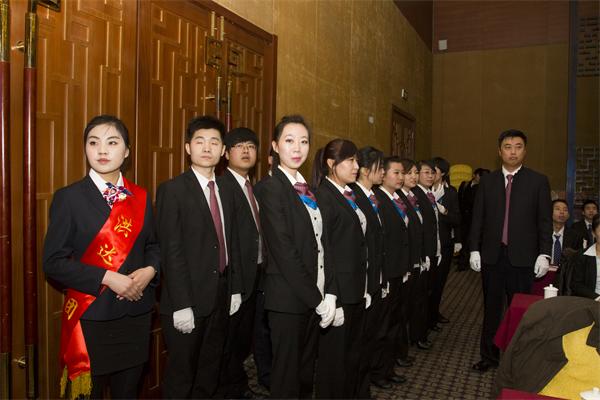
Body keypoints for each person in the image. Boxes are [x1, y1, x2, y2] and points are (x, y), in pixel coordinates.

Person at [43, 115, 160, 399]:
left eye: (112, 142)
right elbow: (54, 262)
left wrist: (151, 270)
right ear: (85, 148)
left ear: (127, 151)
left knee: (128, 393)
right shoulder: (69, 197)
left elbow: (154, 245)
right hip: (92, 318)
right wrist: (107, 277)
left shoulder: (141, 197)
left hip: (135, 315)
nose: (102, 150)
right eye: (93, 143)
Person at [156, 115, 242, 398]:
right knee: (182, 376)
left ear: (223, 150)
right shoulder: (172, 190)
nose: (207, 148)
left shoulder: (227, 189)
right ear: (187, 148)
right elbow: (171, 250)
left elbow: (232, 242)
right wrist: (182, 304)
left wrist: (235, 288)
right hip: (187, 299)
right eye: (200, 141)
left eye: (214, 142)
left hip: (220, 294)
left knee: (210, 369)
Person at [254, 115, 336, 398]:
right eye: (289, 141)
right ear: (276, 146)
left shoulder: (309, 190)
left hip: (315, 294)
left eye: (304, 141)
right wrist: (317, 300)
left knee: (304, 374)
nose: (297, 148)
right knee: (287, 378)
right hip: (288, 299)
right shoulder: (270, 188)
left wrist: (329, 291)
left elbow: (323, 242)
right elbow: (284, 250)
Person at [469, 129, 552, 372]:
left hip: (524, 258)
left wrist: (544, 253)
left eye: (518, 147)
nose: (513, 152)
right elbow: (478, 218)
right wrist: (474, 249)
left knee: (520, 311)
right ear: (499, 151)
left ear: (525, 151)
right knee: (491, 309)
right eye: (507, 147)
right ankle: (489, 356)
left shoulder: (538, 181)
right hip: (492, 256)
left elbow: (544, 221)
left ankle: (517, 360)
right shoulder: (488, 181)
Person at [312, 139, 368, 399]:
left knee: (351, 355)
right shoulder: (324, 196)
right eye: (350, 161)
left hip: (354, 286)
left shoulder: (346, 193)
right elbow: (325, 251)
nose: (357, 166)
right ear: (331, 163)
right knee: (334, 362)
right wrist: (333, 296)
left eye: (357, 161)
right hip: (339, 293)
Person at [217, 127, 263, 398]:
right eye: (239, 146)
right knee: (229, 340)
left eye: (251, 146)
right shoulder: (223, 186)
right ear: (226, 153)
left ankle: (237, 384)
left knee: (243, 338)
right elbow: (226, 240)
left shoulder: (250, 187)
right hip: (234, 279)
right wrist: (234, 285)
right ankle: (229, 390)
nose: (246, 151)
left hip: (254, 275)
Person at [349, 146, 386, 398]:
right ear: (364, 170)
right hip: (361, 282)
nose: (382, 172)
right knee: (359, 343)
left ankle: (363, 387)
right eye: (379, 167)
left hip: (374, 278)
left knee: (370, 337)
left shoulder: (372, 196)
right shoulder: (355, 198)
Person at [372, 157, 411, 388]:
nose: (400, 177)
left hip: (399, 270)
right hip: (386, 272)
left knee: (395, 322)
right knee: (383, 326)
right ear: (383, 174)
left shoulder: (398, 199)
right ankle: (378, 372)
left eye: (402, 173)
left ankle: (388, 368)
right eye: (395, 172)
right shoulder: (378, 200)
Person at [397, 159, 429, 351]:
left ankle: (414, 337)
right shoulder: (398, 197)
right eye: (409, 173)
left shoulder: (413, 196)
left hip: (416, 258)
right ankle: (403, 346)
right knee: (404, 306)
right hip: (407, 261)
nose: (413, 177)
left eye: (416, 173)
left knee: (416, 300)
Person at [430, 157, 460, 328]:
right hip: (428, 245)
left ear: (443, 173)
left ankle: (434, 313)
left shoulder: (451, 193)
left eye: (434, 171)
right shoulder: (422, 191)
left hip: (445, 244)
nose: (431, 175)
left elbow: (457, 219)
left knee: (439, 282)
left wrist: (445, 212)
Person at [457, 168, 489, 270]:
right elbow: (459, 199)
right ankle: (462, 260)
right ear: (475, 175)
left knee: (470, 240)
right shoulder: (464, 184)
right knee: (463, 239)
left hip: (474, 218)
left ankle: (463, 263)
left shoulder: (482, 187)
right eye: (481, 176)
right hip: (463, 218)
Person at [571, 214, 600, 300]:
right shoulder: (583, 256)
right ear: (593, 233)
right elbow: (576, 285)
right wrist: (597, 298)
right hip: (592, 300)